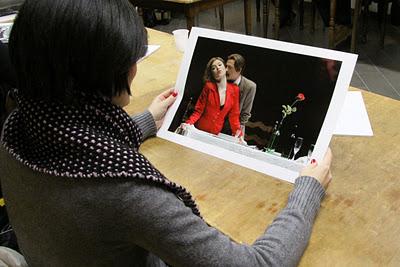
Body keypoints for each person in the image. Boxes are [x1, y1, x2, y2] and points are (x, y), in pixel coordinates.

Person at [0, 0, 332, 266]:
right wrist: (308, 191)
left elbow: (77, 145)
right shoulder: (127, 192)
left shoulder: (17, 127)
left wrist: (144, 123)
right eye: (131, 58)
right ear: (109, 70)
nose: (134, 68)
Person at [185, 57, 242, 137]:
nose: (217, 68)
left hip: (214, 133)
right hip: (199, 129)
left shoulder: (235, 90)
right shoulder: (208, 87)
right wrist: (188, 123)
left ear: (225, 68)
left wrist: (239, 135)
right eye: (213, 68)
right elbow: (198, 110)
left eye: (219, 65)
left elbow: (234, 116)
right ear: (212, 73)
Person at [225, 53, 257, 134]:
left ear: (239, 70)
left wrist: (237, 132)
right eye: (226, 66)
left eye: (229, 68)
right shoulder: (221, 80)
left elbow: (245, 114)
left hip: (233, 130)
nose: (226, 70)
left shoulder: (249, 86)